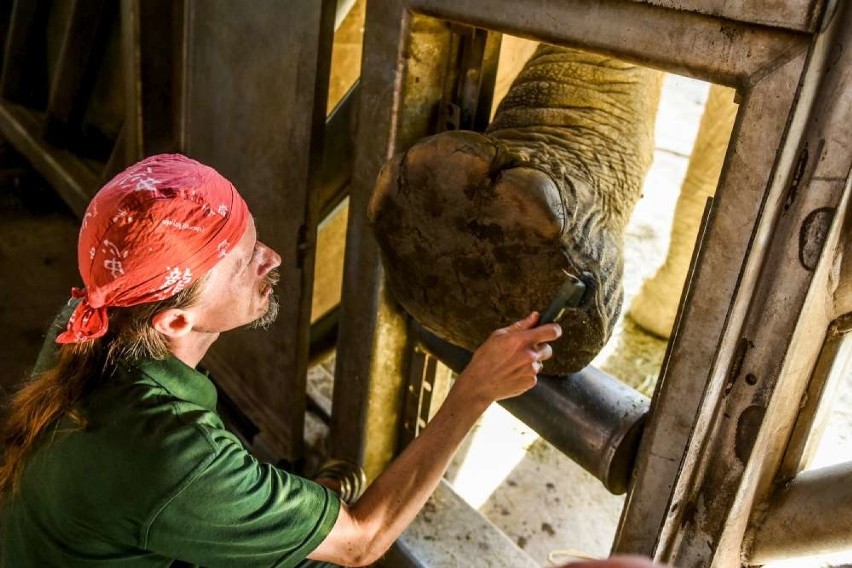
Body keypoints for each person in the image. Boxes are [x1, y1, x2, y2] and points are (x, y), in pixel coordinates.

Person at [0, 154, 561, 566]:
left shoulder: (86, 317)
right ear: (174, 322)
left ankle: (291, 506)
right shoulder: (175, 457)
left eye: (255, 237)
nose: (270, 259)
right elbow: (363, 541)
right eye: (244, 262)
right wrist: (474, 391)